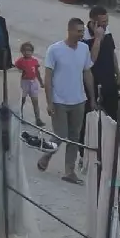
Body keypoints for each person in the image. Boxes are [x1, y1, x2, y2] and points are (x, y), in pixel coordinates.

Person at [37, 17, 95, 184]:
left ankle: (70, 171)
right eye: (78, 31)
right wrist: (49, 102)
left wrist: (92, 97)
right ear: (69, 31)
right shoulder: (55, 50)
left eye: (82, 32)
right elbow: (48, 77)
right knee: (60, 135)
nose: (81, 35)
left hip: (79, 100)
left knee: (74, 137)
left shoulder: (84, 49)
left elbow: (87, 72)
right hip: (59, 101)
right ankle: (47, 155)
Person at [83, 5, 120, 120]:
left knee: (112, 115)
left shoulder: (107, 31)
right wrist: (97, 38)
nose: (106, 24)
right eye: (103, 22)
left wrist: (118, 73)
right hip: (93, 82)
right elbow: (91, 60)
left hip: (109, 80)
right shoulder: (84, 36)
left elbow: (112, 53)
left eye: (107, 21)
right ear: (94, 22)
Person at [14, 42, 46, 127]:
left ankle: (38, 119)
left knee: (35, 101)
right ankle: (20, 117)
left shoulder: (34, 61)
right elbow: (15, 71)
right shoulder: (20, 61)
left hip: (33, 82)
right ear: (22, 51)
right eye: (25, 51)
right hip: (24, 82)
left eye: (29, 51)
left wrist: (41, 82)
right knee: (22, 101)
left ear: (32, 51)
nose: (27, 52)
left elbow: (37, 72)